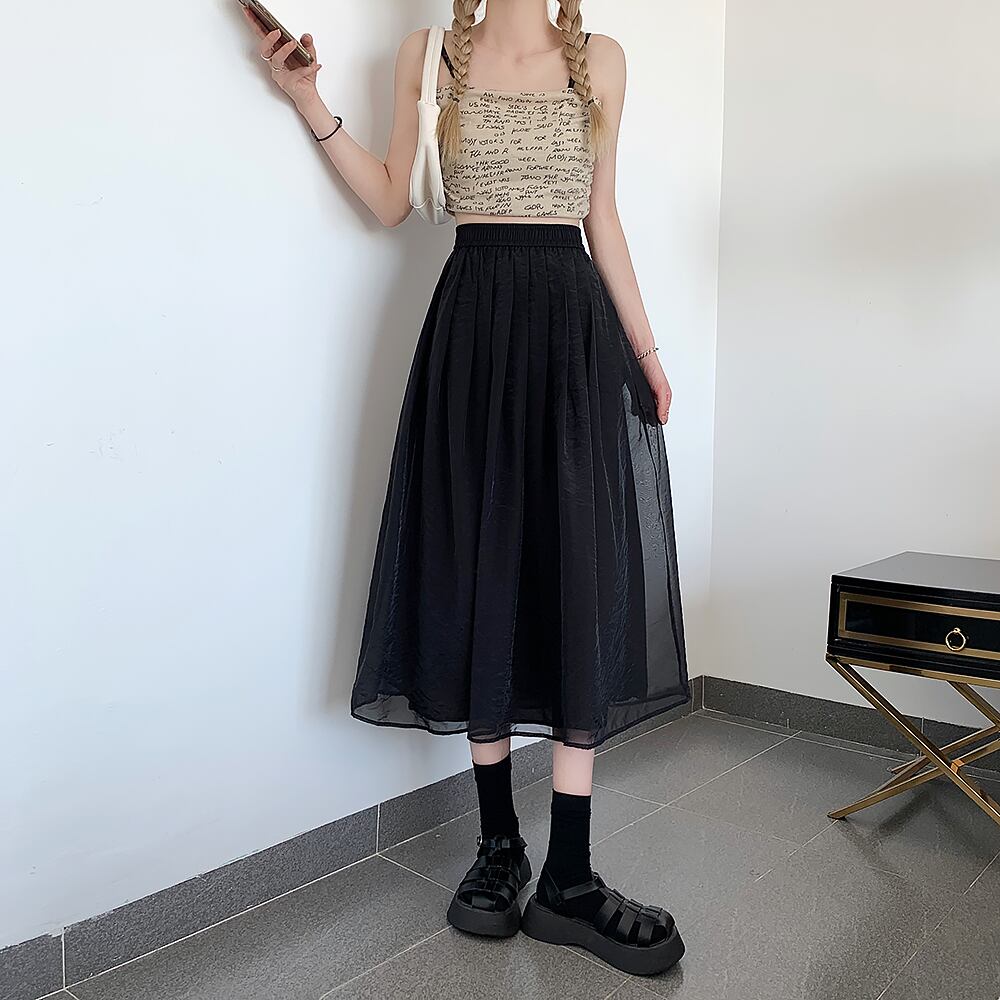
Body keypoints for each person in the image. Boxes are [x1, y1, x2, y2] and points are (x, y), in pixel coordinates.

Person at [242, 0, 689, 977]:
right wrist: (307, 99)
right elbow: (390, 200)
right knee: (471, 568)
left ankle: (569, 875)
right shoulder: (429, 54)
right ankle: (500, 845)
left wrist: (648, 352)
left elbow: (601, 217)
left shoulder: (604, 59)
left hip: (570, 341)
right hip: (472, 338)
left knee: (575, 578)